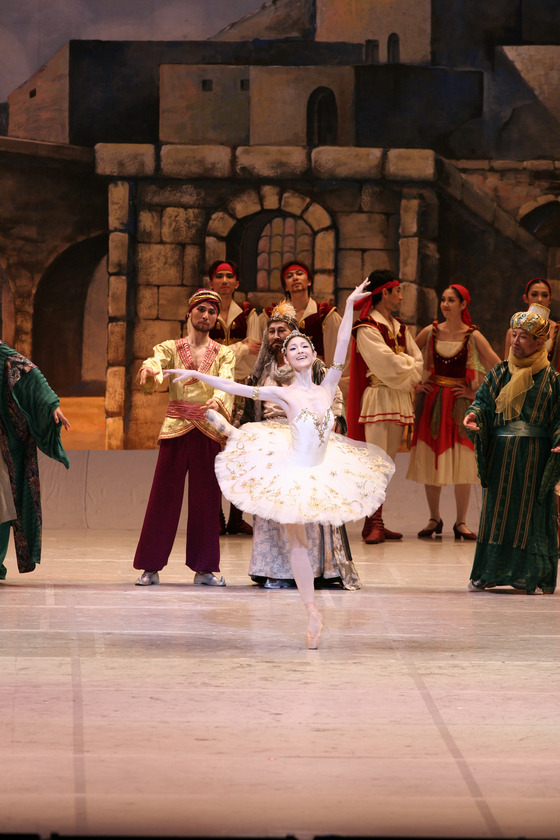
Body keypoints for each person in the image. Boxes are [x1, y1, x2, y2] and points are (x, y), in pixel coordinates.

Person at [167, 281, 394, 648]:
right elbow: (240, 388)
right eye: (293, 348)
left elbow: (343, 346)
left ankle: (230, 431)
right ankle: (311, 611)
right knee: (297, 543)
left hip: (322, 467)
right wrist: (197, 376)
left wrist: (351, 303)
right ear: (286, 359)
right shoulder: (283, 392)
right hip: (291, 471)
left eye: (304, 345)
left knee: (307, 538)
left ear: (312, 353)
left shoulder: (327, 383)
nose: (299, 350)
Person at [243, 299, 361, 591]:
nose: (275, 336)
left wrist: (332, 421)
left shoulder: (312, 366)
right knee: (274, 507)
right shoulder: (263, 370)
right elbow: (249, 406)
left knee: (309, 505)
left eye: (281, 330)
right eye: (270, 332)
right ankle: (276, 570)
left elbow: (333, 397)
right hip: (271, 442)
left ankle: (320, 568)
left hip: (304, 438)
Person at [133, 288, 235, 587]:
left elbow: (226, 381)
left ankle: (204, 569)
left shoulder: (223, 352)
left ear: (217, 317)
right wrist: (149, 370)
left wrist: (218, 400)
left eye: (212, 311)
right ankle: (150, 566)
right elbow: (156, 360)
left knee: (207, 501)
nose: (206, 315)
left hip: (206, 428)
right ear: (189, 312)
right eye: (201, 309)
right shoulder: (171, 347)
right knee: (163, 497)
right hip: (176, 426)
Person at [464, 303, 560, 594]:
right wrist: (473, 415)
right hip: (502, 456)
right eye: (514, 335)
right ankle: (489, 572)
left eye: (522, 336)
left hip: (534, 458)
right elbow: (482, 403)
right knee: (497, 513)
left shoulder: (552, 380)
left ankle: (532, 574)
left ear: (538, 342)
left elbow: (558, 418)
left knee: (531, 513)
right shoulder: (499, 374)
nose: (515, 341)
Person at [406, 285, 501, 539]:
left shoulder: (473, 335)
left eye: (451, 300)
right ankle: (434, 517)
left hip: (459, 404)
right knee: (431, 458)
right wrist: (415, 384)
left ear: (463, 305)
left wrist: (475, 394)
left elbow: (497, 365)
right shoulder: (431, 331)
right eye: (443, 300)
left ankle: (461, 522)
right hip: (433, 401)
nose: (445, 304)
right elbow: (407, 357)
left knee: (463, 460)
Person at [347, 269, 423, 543]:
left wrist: (407, 369)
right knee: (376, 461)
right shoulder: (367, 327)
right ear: (385, 293)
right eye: (398, 290)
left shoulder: (399, 328)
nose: (401, 296)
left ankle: (374, 520)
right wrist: (408, 370)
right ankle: (374, 519)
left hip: (397, 397)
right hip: (379, 396)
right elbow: (386, 363)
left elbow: (419, 361)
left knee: (387, 462)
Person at [0, 341, 70, 580]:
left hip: (1, 441)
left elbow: (29, 371)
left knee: (1, 504)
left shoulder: (2, 354)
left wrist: (51, 404)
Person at [208, 259, 261, 535]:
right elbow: (205, 354)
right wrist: (239, 348)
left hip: (240, 389)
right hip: (213, 391)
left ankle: (236, 515)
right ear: (211, 282)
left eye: (230, 276)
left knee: (241, 451)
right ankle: (215, 514)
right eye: (219, 276)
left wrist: (231, 351)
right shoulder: (202, 311)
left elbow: (252, 355)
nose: (225, 280)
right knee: (214, 450)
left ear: (237, 282)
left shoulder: (249, 314)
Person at [262, 260, 349, 398]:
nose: (295, 277)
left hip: (317, 383)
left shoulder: (325, 315)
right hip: (282, 383)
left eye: (299, 274)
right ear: (285, 286)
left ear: (309, 281)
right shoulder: (272, 317)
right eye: (289, 276)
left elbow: (340, 352)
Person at [504, 278, 560, 367]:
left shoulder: (557, 331)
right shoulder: (513, 331)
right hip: (518, 379)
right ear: (525, 298)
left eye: (544, 295)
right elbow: (507, 365)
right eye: (534, 294)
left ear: (550, 299)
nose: (540, 299)